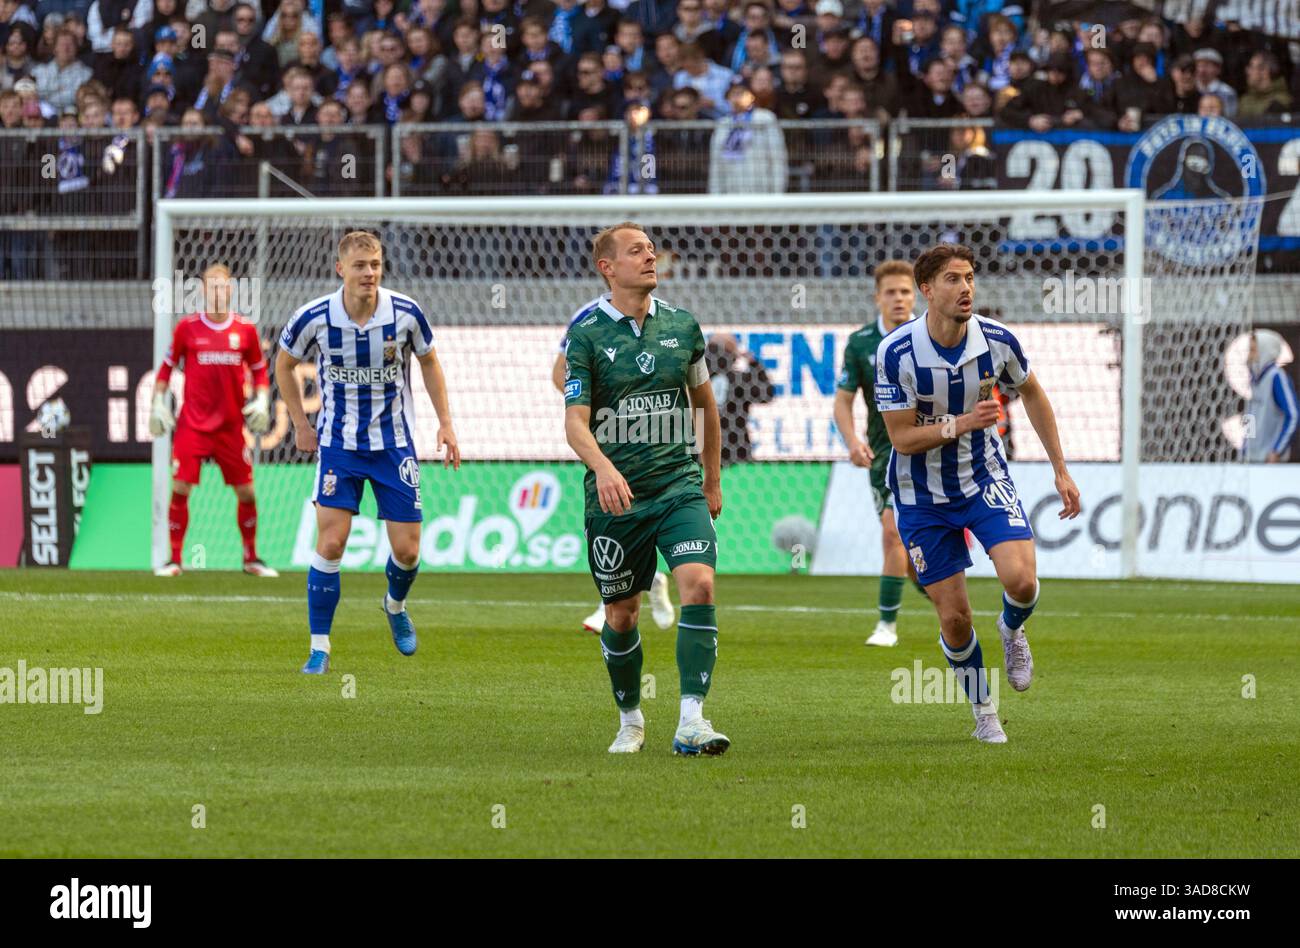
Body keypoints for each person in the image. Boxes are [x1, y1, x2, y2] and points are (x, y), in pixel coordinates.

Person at [875, 243, 1081, 743]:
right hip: (919, 494)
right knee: (955, 618)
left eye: (969, 277)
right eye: (952, 279)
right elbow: (901, 438)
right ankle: (984, 711)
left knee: (1022, 581)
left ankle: (1012, 629)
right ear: (927, 290)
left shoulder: (996, 341)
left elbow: (1032, 392)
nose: (965, 287)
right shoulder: (896, 352)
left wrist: (1061, 469)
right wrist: (964, 422)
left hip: (984, 478)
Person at [562, 222, 727, 756]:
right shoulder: (585, 333)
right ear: (607, 267)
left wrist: (711, 478)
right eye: (637, 251)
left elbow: (704, 406)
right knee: (621, 613)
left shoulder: (683, 326)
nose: (650, 256)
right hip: (615, 498)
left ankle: (691, 721)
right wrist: (605, 468)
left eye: (652, 249)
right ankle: (630, 718)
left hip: (678, 486)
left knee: (699, 585)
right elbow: (574, 422)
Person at [276, 231, 460, 674]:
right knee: (332, 541)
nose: (369, 273)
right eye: (360, 266)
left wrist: (446, 422)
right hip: (339, 446)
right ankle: (320, 647)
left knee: (409, 551)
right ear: (341, 268)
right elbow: (283, 363)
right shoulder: (315, 317)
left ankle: (394, 606)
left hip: (394, 445)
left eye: (375, 264)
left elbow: (430, 361)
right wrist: (301, 424)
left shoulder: (405, 313)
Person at [552, 294, 676, 634]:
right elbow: (557, 373)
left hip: (651, 437)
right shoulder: (586, 316)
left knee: (640, 512)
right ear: (608, 268)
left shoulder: (662, 315)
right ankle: (638, 586)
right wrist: (592, 395)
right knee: (611, 513)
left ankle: (639, 583)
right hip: (604, 437)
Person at [149, 263, 277, 578]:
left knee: (246, 492)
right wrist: (156, 402)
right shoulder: (187, 328)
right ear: (203, 291)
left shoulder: (245, 330)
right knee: (180, 487)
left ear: (232, 289)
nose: (218, 291)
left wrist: (262, 399)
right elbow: (166, 367)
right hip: (194, 424)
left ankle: (251, 558)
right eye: (212, 286)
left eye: (224, 286)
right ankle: (175, 560)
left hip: (231, 427)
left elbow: (260, 369)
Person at [833, 260, 922, 647]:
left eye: (905, 291)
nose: (899, 299)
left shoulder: (932, 334)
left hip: (935, 449)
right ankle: (887, 625)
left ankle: (944, 601)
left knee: (919, 552)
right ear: (878, 297)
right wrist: (853, 441)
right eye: (891, 292)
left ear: (915, 295)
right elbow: (842, 402)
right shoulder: (861, 343)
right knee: (893, 535)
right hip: (886, 454)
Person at [1242, 329, 1297, 463]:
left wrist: (1277, 450)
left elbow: (1293, 415)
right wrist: (1246, 447)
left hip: (1270, 460)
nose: (1249, 355)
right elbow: (1251, 415)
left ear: (1265, 350)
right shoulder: (1254, 379)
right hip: (1253, 458)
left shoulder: (1276, 377)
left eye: (1253, 350)